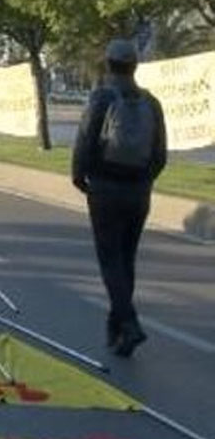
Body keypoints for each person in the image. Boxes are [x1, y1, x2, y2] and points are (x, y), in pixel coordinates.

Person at [72, 39, 167, 358]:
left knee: (110, 259)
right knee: (126, 258)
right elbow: (160, 154)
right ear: (134, 66)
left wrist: (80, 174)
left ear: (109, 64)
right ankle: (117, 329)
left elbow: (85, 139)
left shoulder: (102, 97)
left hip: (105, 188)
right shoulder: (151, 102)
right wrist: (143, 180)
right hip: (138, 191)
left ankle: (129, 323)